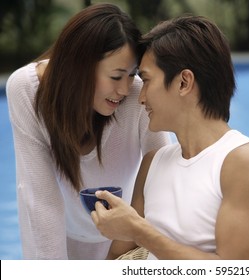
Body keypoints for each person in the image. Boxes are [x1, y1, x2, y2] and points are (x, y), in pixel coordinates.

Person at [91, 15, 249, 260]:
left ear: (183, 82)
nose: (140, 97)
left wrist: (140, 231)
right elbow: (116, 260)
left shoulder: (246, 163)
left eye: (146, 80)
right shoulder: (153, 163)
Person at [5, 3, 171, 259]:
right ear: (79, 67)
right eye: (116, 76)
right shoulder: (27, 89)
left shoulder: (138, 95)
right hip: (61, 240)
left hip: (126, 242)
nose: (125, 89)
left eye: (131, 74)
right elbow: (40, 200)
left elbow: (165, 176)